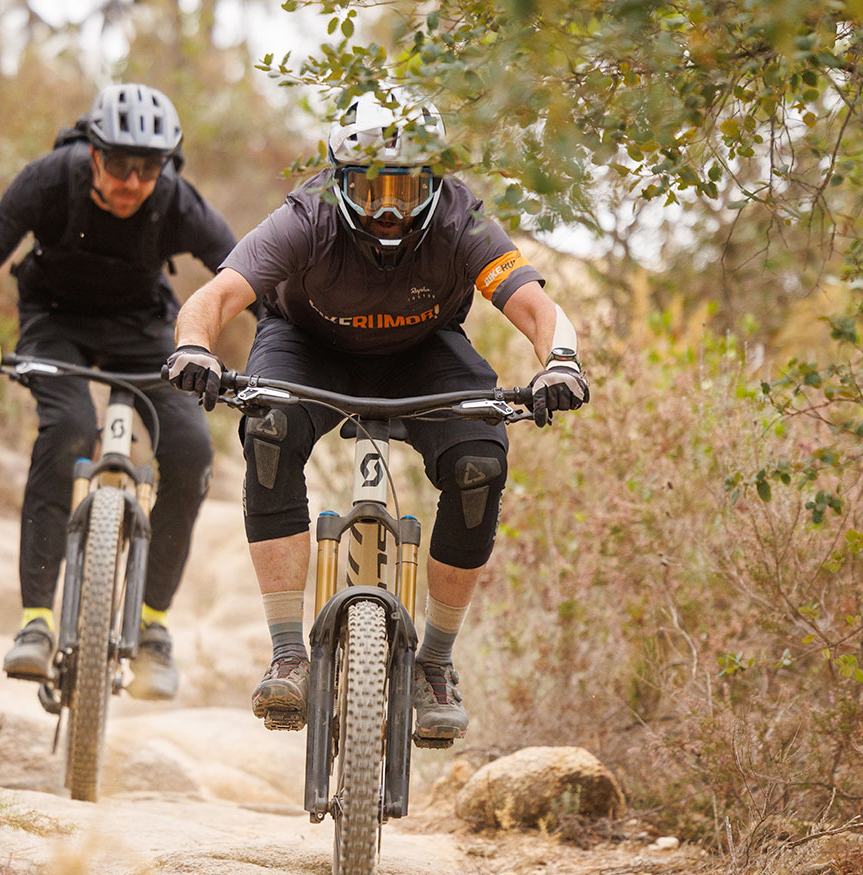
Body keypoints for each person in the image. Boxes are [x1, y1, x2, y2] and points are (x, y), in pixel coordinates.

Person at [163, 92, 589, 743]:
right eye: (368, 189)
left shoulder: (460, 218)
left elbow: (533, 304)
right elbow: (215, 297)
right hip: (308, 349)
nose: (387, 208)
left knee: (479, 463)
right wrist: (194, 348)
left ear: (434, 181)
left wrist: (560, 360)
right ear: (340, 180)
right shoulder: (306, 217)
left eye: (405, 187)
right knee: (269, 429)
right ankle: (288, 657)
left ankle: (435, 666)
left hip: (422, 354)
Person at [0, 83, 244, 700]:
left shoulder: (176, 201)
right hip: (56, 325)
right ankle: (36, 623)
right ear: (93, 154)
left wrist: (282, 354)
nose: (134, 182)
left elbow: (248, 277)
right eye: (120, 165)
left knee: (189, 450)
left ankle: (154, 626)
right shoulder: (50, 180)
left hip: (143, 328)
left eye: (149, 168)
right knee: (69, 428)